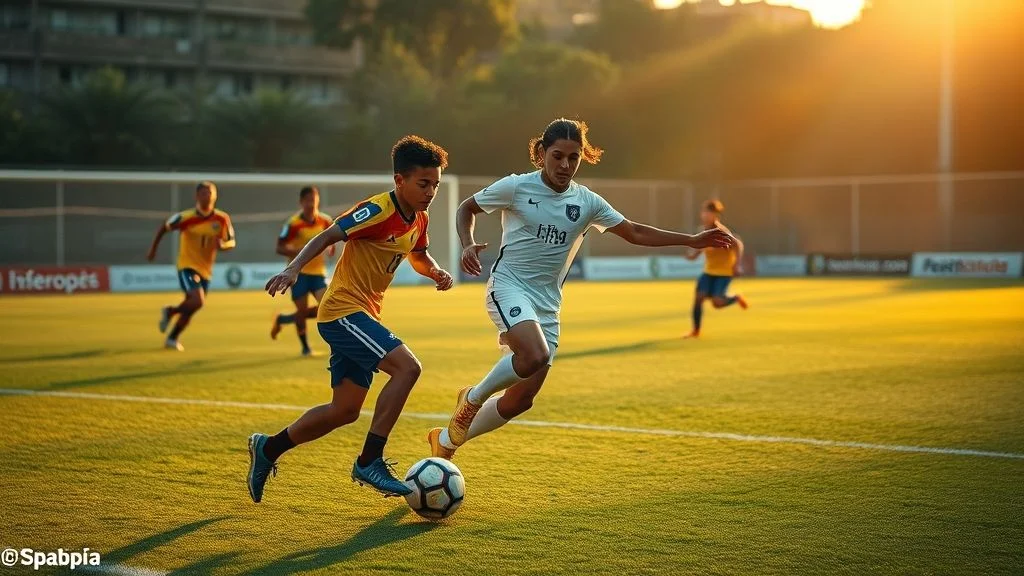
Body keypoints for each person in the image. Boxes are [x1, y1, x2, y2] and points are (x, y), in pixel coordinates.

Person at [427, 118, 734, 460]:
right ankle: (471, 399)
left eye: (573, 158)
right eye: (557, 156)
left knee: (520, 399)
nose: (565, 165)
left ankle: (446, 441)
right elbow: (466, 207)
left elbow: (634, 231)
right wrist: (467, 243)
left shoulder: (587, 202)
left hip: (548, 303)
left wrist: (690, 239)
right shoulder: (516, 187)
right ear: (541, 153)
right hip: (509, 287)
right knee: (535, 355)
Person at [248, 136, 454, 502]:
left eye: (435, 184)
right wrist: (294, 269)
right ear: (399, 180)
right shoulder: (377, 210)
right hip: (342, 311)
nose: (431, 192)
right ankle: (369, 460)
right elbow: (330, 234)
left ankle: (268, 448)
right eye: (424, 184)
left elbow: (419, 255)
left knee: (344, 411)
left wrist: (435, 272)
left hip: (363, 313)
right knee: (408, 368)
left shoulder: (419, 218)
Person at [146, 181, 235, 351]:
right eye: (203, 193)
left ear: (215, 196)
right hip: (187, 265)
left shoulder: (222, 219)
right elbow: (164, 227)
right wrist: (153, 250)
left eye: (210, 193)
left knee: (191, 307)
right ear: (196, 196)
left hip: (206, 270)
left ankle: (172, 338)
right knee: (197, 301)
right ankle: (170, 312)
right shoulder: (186, 217)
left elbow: (231, 240)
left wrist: (223, 246)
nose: (207, 196)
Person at [270, 185, 335, 356]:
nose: (311, 204)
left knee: (327, 307)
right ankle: (305, 347)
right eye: (307, 200)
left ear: (318, 200)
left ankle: (283, 319)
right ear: (301, 202)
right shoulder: (293, 224)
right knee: (301, 312)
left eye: (313, 200)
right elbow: (279, 247)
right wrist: (298, 253)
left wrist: (330, 249)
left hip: (319, 273)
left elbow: (332, 241)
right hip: (298, 274)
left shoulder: (325, 221)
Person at [683, 199, 748, 339]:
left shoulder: (722, 231)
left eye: (709, 213)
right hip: (709, 271)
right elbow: (701, 246)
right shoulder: (703, 231)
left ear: (716, 215)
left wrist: (737, 264)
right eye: (704, 212)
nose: (705, 215)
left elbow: (738, 245)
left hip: (724, 273)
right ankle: (695, 331)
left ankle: (736, 298)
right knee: (698, 298)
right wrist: (693, 256)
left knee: (717, 303)